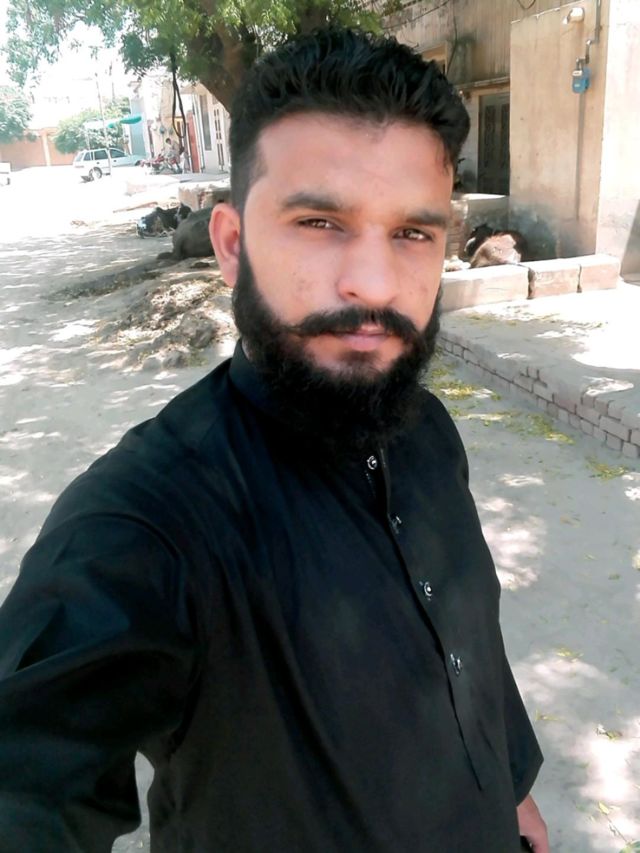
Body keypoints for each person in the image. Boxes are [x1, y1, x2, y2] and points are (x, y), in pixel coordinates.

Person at [0, 27, 548, 853]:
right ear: (232, 245)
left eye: (413, 233)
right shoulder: (145, 524)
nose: (374, 283)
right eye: (321, 221)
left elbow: (469, 637)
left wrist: (513, 787)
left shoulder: (428, 430)